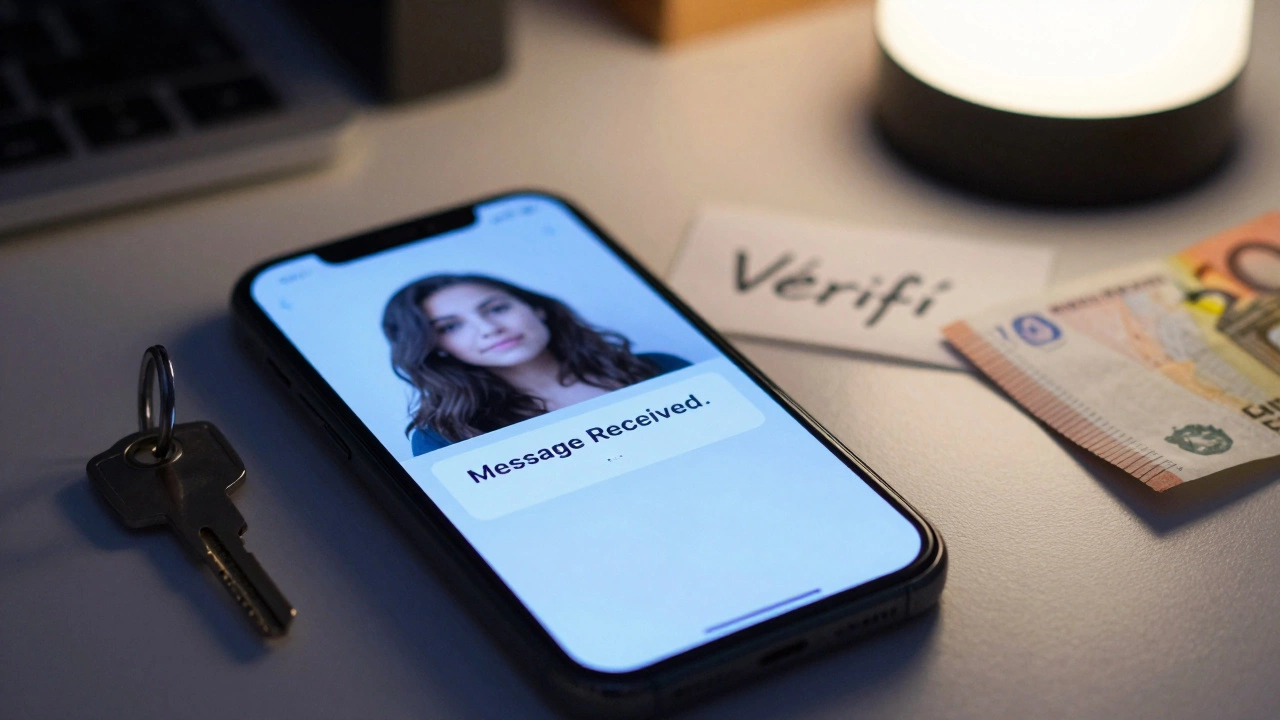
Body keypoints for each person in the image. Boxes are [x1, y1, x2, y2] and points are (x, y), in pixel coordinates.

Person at [382, 274, 690, 456]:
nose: (488, 328)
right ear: (436, 348)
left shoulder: (660, 368)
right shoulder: (444, 436)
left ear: (537, 309)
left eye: (497, 308)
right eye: (450, 327)